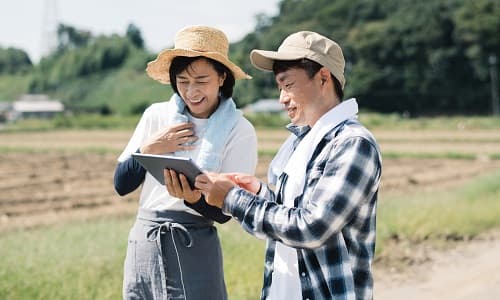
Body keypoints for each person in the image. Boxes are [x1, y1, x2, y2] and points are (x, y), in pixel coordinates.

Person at [195, 31, 382, 300]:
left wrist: (232, 198)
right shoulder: (301, 141)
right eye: (279, 87)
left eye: (288, 85)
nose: (282, 98)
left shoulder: (352, 144)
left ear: (323, 78)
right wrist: (258, 194)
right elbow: (290, 216)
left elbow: (312, 227)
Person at [114, 25, 258, 300]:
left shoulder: (240, 130)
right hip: (145, 239)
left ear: (221, 77)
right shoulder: (157, 116)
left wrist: (192, 198)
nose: (191, 91)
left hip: (194, 241)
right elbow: (121, 184)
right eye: (182, 81)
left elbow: (226, 213)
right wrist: (151, 148)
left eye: (201, 81)